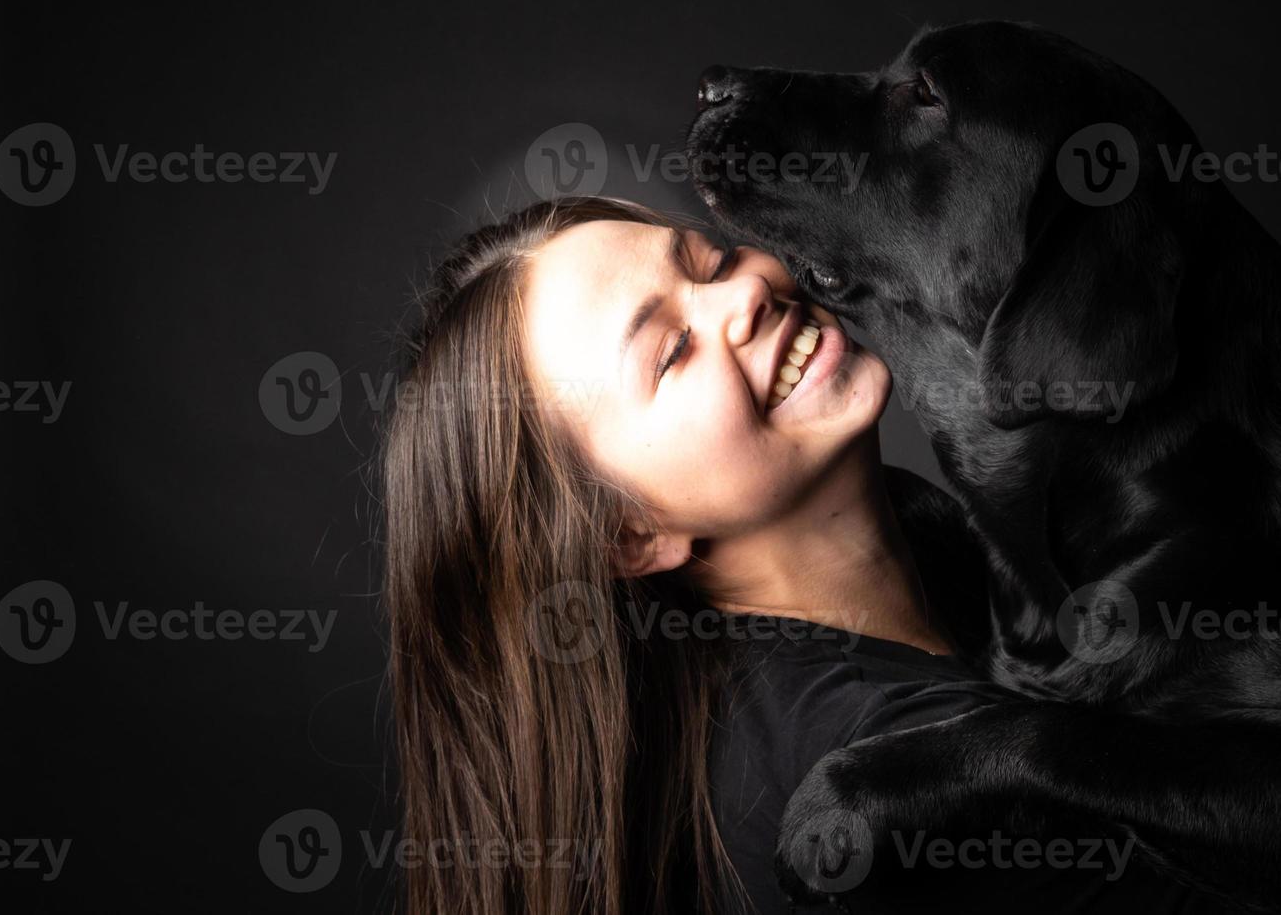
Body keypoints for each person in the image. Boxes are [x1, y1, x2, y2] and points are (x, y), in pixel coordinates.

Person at [380, 196, 1230, 914]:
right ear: (629, 535)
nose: (742, 296)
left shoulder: (960, 550)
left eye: (708, 265)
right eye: (670, 351)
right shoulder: (883, 783)